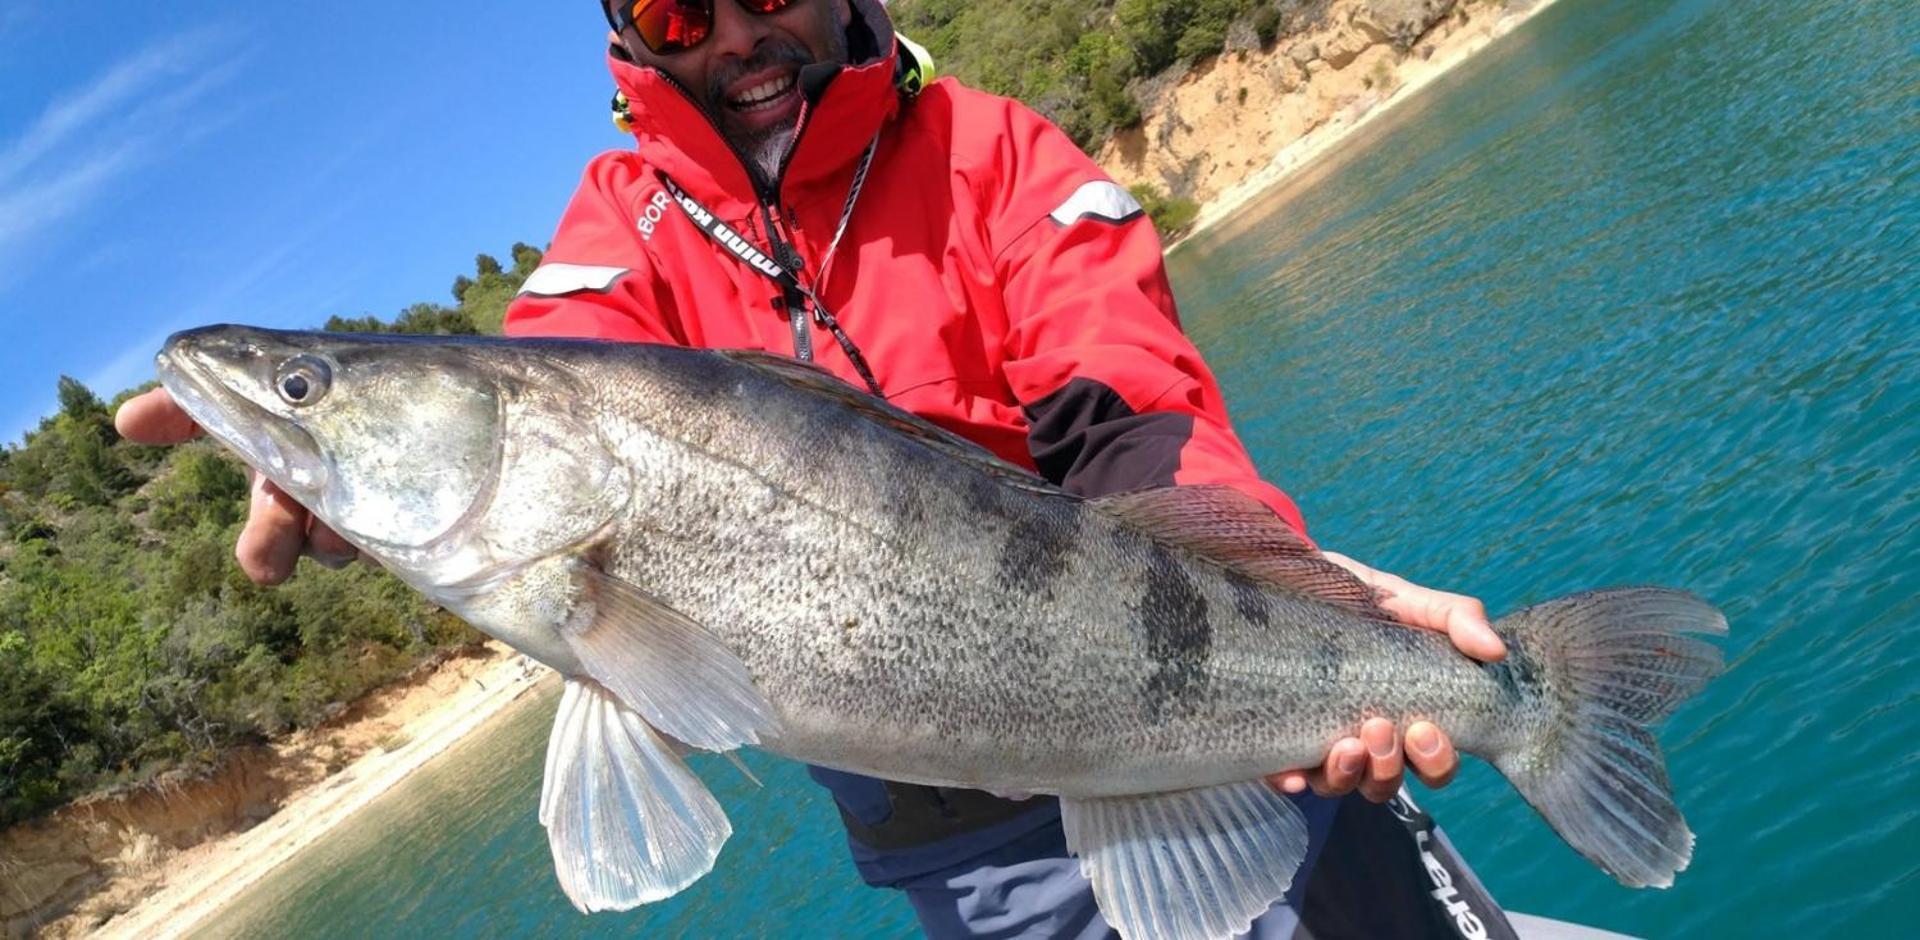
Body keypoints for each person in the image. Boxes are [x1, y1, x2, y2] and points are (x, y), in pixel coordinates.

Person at [117, 0, 1519, 936]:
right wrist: (328, 460)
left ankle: (1534, 708)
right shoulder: (622, 229)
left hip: (1228, 748)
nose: (740, 33)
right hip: (972, 857)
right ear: (630, 33)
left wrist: (1297, 576)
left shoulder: (990, 150)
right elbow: (560, 359)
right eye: (679, 11)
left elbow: (1130, 415)